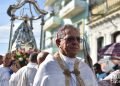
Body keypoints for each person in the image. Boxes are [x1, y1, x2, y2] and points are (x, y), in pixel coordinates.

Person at [33, 24, 98, 86]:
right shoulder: (48, 66)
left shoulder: (84, 67)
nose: (75, 42)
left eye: (78, 39)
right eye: (70, 39)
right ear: (58, 42)